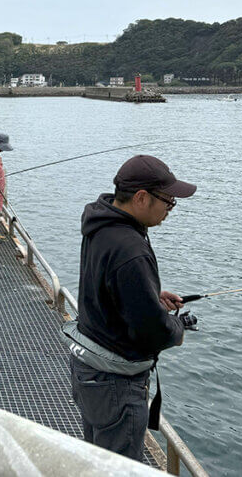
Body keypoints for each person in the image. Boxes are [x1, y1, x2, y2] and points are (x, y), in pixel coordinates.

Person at [68, 155, 198, 461]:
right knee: (120, 467)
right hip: (115, 384)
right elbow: (152, 331)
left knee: (98, 459)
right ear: (141, 197)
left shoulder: (101, 221)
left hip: (88, 370)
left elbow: (106, 284)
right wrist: (177, 329)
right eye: (168, 201)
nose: (170, 210)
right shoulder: (130, 248)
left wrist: (149, 294)